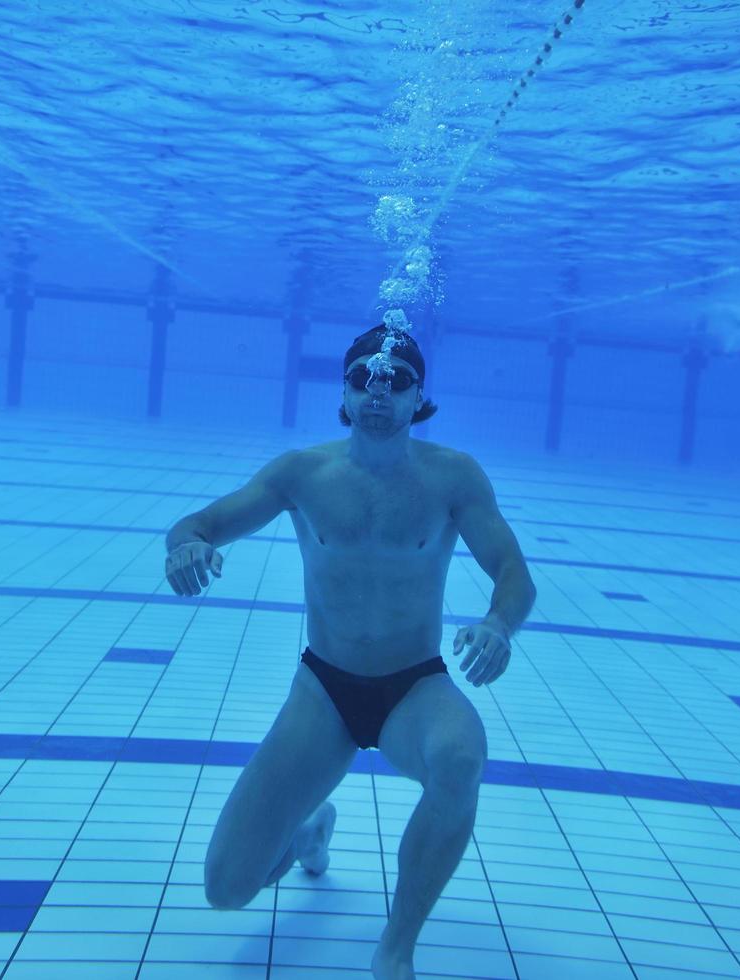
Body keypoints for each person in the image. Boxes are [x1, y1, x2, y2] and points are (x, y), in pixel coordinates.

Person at [164, 324, 536, 980]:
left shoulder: (453, 477)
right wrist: (186, 548)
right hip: (324, 691)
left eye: (395, 380)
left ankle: (397, 945)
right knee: (226, 888)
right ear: (344, 388)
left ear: (419, 396)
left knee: (459, 758)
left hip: (412, 689)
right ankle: (309, 827)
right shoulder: (302, 474)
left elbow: (513, 570)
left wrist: (499, 625)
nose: (378, 390)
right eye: (364, 375)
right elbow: (198, 524)